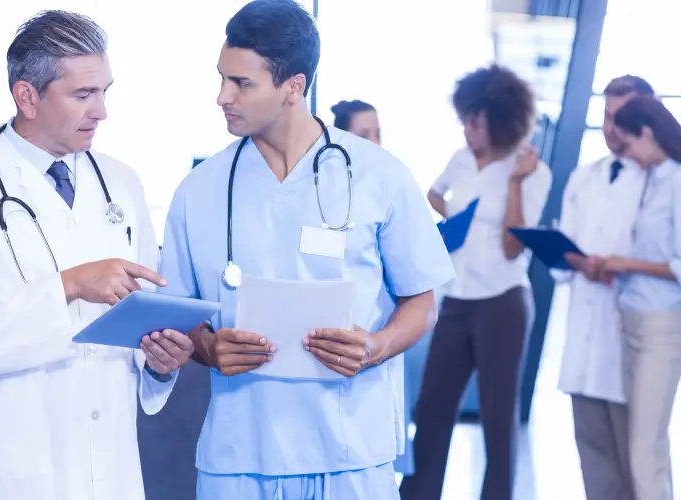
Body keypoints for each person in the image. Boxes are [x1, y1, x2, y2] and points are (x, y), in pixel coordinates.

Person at [157, 1, 456, 499]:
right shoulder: (199, 189)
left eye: (242, 84)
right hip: (240, 453)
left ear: (293, 87)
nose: (222, 96)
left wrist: (376, 346)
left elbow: (422, 303)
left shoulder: (380, 175)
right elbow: (178, 311)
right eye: (222, 78)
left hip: (351, 451)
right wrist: (207, 347)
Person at [0, 11, 194, 500]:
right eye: (83, 95)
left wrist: (160, 362)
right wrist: (68, 284)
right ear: (27, 96)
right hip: (17, 466)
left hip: (111, 467)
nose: (102, 110)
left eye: (105, 91)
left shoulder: (121, 183)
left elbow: (142, 318)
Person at [401, 64, 552, 500]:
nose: (467, 128)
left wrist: (518, 184)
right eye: (464, 119)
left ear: (501, 120)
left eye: (475, 121)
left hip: (503, 302)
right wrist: (455, 220)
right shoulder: (461, 159)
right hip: (456, 298)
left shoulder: (530, 170)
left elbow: (512, 247)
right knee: (431, 409)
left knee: (498, 415)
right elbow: (433, 193)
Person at [554, 75, 653, 500]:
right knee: (592, 458)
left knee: (639, 464)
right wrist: (572, 258)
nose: (613, 128)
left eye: (622, 117)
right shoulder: (583, 176)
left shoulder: (663, 179)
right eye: (606, 117)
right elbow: (563, 261)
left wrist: (613, 266)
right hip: (584, 338)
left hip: (634, 341)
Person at [595, 96, 681, 500]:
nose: (628, 155)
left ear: (648, 133)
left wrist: (626, 263)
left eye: (628, 145)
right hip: (630, 321)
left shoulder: (678, 180)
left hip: (660, 326)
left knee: (644, 447)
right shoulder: (652, 178)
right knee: (643, 443)